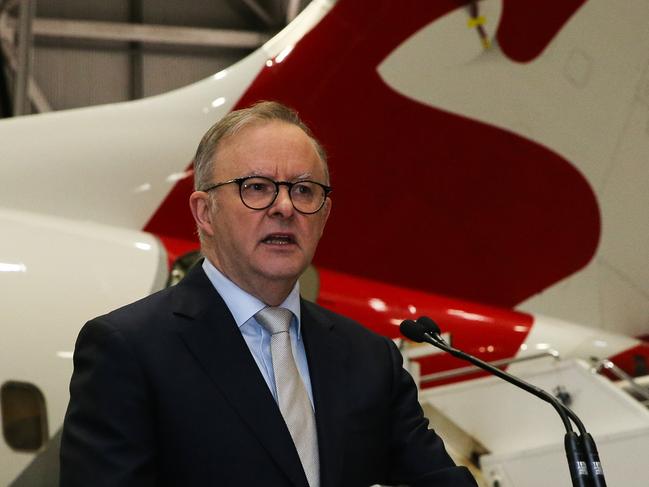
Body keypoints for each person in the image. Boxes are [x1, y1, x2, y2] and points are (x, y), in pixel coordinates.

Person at [60, 101, 477, 487]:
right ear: (205, 212)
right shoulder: (128, 349)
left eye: (304, 190)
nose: (284, 207)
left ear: (324, 214)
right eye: (256, 187)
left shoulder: (370, 358)